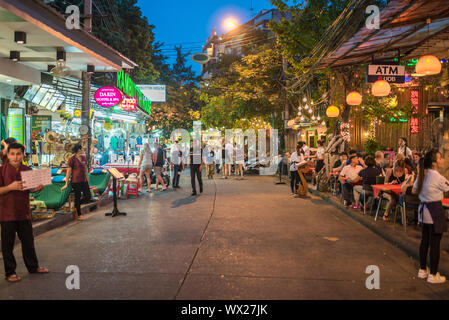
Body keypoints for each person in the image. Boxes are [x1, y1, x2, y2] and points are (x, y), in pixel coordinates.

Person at [0, 142, 48, 282]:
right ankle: (10, 273)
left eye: (18, 154)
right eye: (12, 154)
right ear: (7, 155)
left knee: (28, 242)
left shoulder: (27, 170)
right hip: (6, 213)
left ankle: (33, 267)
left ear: (22, 155)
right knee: (7, 245)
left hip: (23, 212)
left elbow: (30, 189)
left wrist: (37, 188)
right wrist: (10, 187)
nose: (15, 157)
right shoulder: (1, 170)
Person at [413, 149, 449, 284]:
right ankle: (433, 274)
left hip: (423, 212)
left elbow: (414, 190)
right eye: (440, 158)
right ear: (434, 163)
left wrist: (427, 192)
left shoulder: (423, 174)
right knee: (435, 245)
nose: (443, 160)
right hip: (435, 212)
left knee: (425, 242)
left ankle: (423, 270)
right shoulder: (438, 177)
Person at [62, 144, 91, 220]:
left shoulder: (84, 157)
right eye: (82, 148)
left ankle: (76, 204)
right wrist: (66, 183)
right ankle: (79, 213)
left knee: (88, 196)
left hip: (84, 180)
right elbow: (69, 171)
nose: (83, 149)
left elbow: (86, 170)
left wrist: (88, 182)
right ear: (78, 149)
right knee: (77, 197)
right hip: (75, 181)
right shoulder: (72, 159)